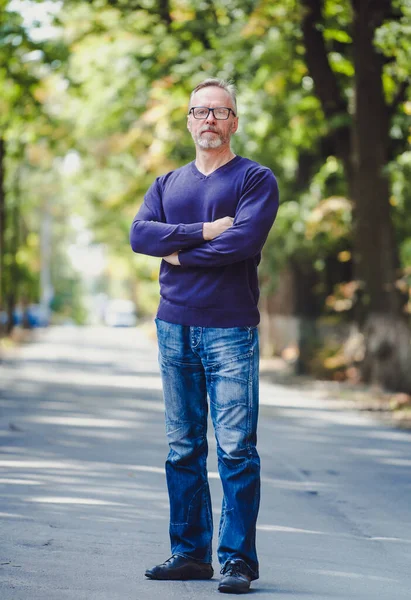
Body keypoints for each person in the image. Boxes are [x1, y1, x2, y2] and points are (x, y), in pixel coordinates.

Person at [130, 78, 279, 594]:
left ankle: (237, 560)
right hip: (174, 327)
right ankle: (189, 554)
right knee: (182, 448)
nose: (209, 119)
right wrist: (204, 231)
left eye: (220, 111)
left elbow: (241, 244)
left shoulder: (256, 180)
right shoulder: (167, 184)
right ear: (189, 121)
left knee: (236, 449)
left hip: (231, 329)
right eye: (200, 111)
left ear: (234, 121)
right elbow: (138, 235)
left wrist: (175, 251)